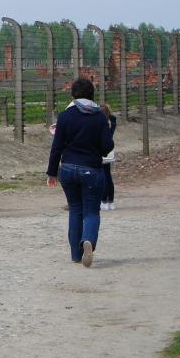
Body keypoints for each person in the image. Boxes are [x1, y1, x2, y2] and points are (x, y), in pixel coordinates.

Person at [46, 77, 115, 267]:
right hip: (92, 169)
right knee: (91, 211)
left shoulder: (65, 116)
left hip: (68, 169)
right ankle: (88, 240)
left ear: (73, 95)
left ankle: (76, 255)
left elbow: (56, 147)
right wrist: (98, 150)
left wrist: (52, 172)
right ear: (92, 94)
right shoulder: (99, 117)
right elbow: (107, 145)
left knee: (75, 210)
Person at [99, 103, 118, 211]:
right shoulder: (112, 122)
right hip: (109, 150)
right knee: (108, 176)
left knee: (103, 177)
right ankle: (111, 201)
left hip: (100, 150)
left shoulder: (101, 123)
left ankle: (104, 201)